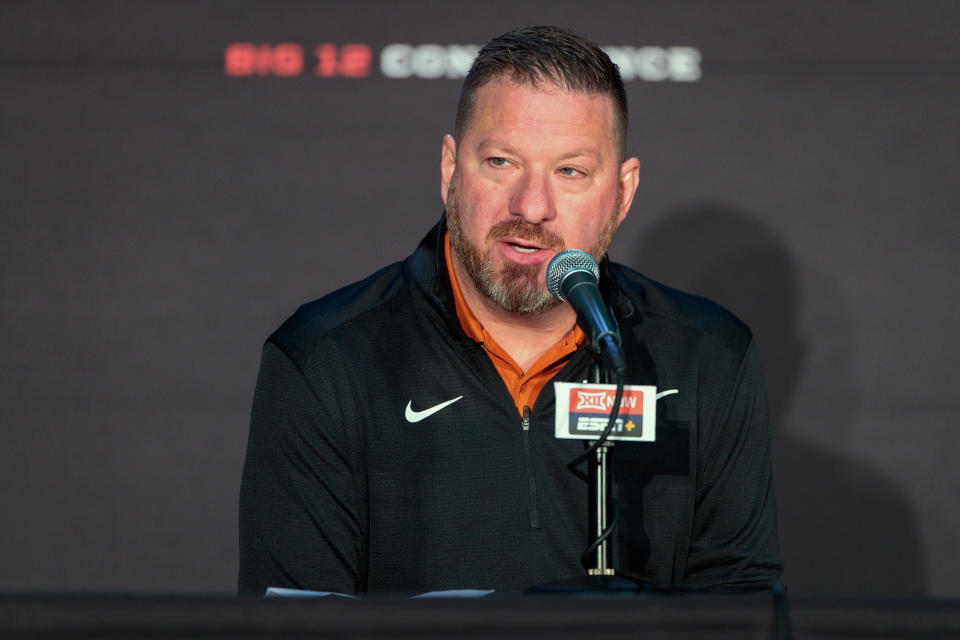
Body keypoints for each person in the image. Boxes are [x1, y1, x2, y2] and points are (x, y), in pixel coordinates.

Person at [238, 25, 781, 595]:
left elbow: (739, 608)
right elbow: (293, 623)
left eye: (570, 171)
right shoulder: (325, 360)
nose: (531, 206)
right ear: (451, 171)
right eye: (501, 162)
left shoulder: (706, 355)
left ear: (622, 193)